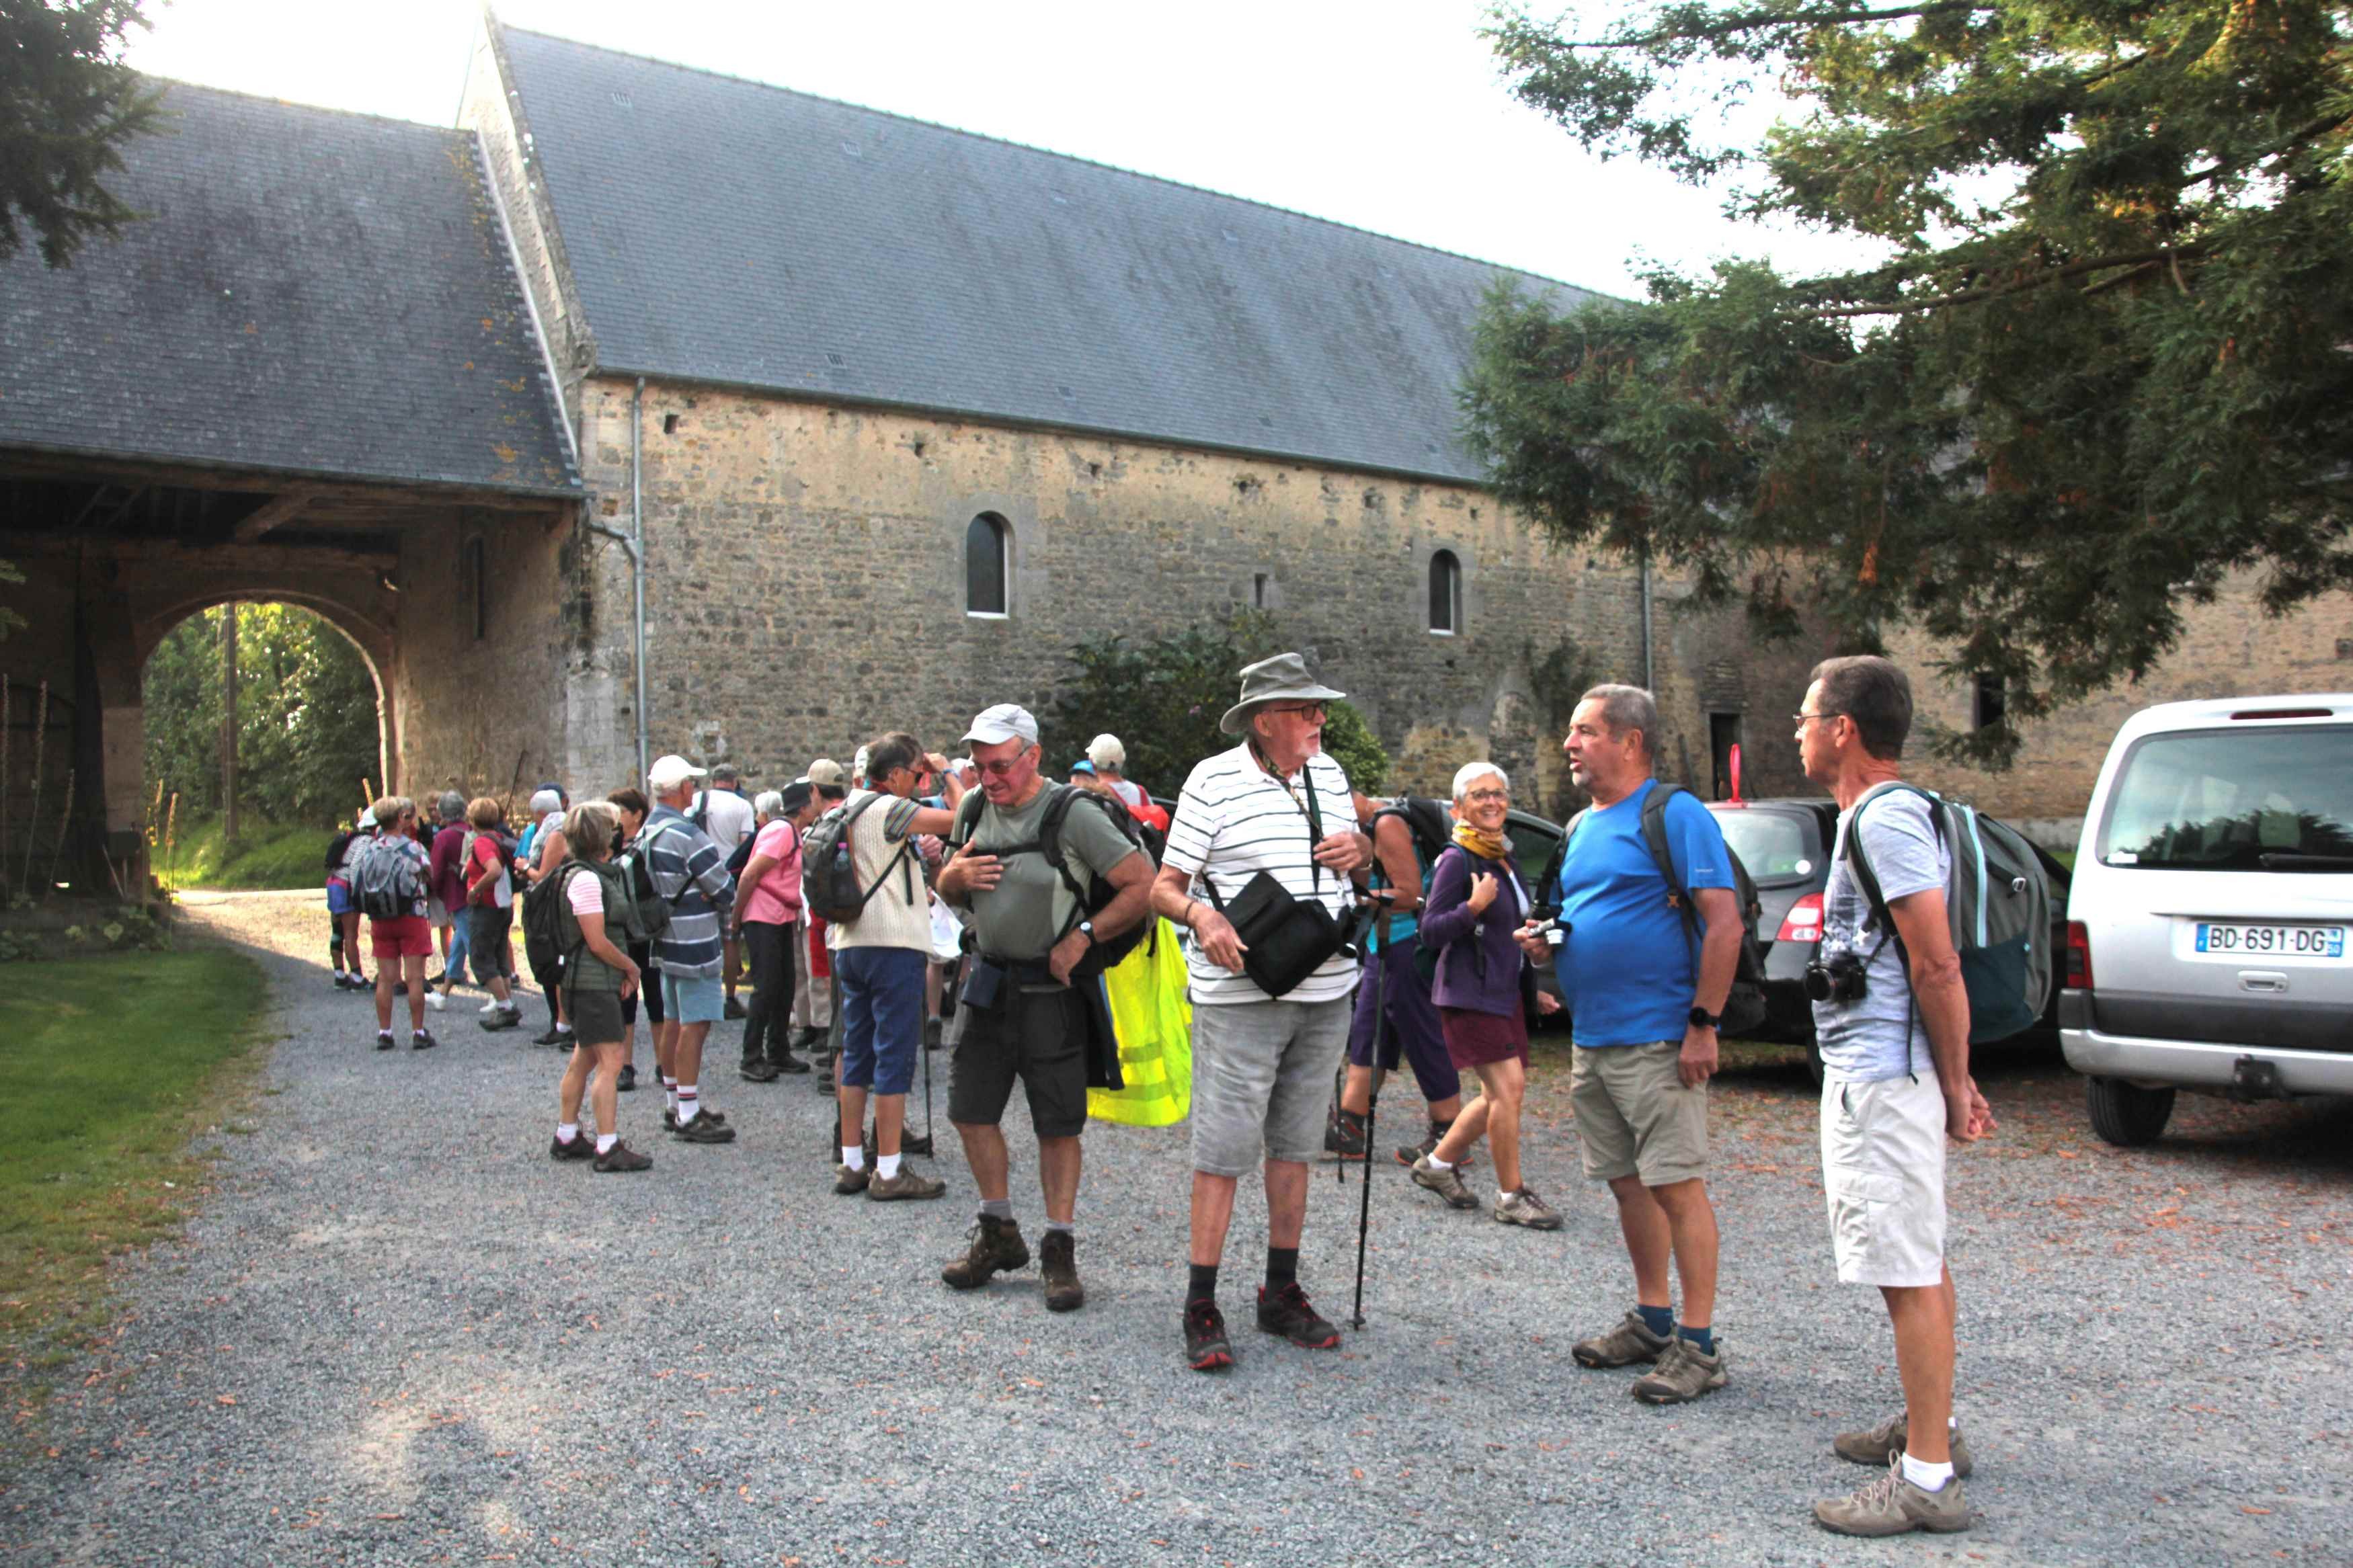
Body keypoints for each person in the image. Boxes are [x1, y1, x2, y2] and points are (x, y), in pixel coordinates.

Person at [1797, 655, 1995, 1538]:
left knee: (1908, 1268)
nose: (1797, 730)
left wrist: (1955, 1082)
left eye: (1808, 716)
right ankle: (1931, 1426)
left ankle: (1926, 1480)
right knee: (1913, 1258)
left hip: (1885, 1077)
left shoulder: (1886, 820)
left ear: (1844, 729)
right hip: (1883, 1069)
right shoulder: (1873, 818)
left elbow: (1936, 959)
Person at [1148, 653, 1369, 1372]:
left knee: (1297, 1144)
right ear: (1264, 718)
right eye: (1306, 710)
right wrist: (1202, 919)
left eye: (1318, 709)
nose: (1319, 720)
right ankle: (1199, 1302)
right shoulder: (1211, 779)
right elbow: (1163, 886)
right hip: (1241, 993)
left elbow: (1361, 862)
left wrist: (1359, 849)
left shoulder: (1329, 774)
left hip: (1325, 984)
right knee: (1222, 1151)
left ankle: (1280, 1290)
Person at [1529, 684, 1741, 1405]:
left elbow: (1724, 923)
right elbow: (1574, 916)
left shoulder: (1672, 813)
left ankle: (1699, 1342)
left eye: (1584, 731)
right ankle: (1653, 1319)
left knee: (1676, 1185)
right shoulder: (1577, 828)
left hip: (1659, 1035)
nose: (1570, 744)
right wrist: (1542, 948)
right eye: (1570, 730)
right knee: (1627, 1184)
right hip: (1593, 1036)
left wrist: (1702, 1023)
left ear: (1630, 741)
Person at [932, 704, 1154, 1311]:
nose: (988, 778)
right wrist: (952, 877)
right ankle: (999, 1230)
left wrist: (1084, 935)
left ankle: (1059, 1245)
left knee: (1057, 1123)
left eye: (1000, 765)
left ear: (1033, 756)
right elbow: (949, 886)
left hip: (1053, 991)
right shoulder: (975, 807)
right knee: (969, 1110)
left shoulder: (1072, 813)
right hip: (987, 981)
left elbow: (1142, 883)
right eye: (979, 766)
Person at [1408, 764, 1562, 1227]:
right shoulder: (1458, 858)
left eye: (1498, 794)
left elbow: (1504, 933)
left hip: (1503, 992)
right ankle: (1511, 1195)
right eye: (1479, 795)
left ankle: (1435, 1166)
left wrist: (1532, 981)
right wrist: (1471, 907)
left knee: (1497, 1093)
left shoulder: (1501, 856)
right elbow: (1430, 930)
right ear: (1458, 808)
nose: (1492, 802)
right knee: (1507, 1090)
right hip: (1469, 994)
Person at [828, 732, 964, 1201]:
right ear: (892, 776)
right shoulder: (891, 810)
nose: (918, 779)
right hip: (893, 944)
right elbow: (965, 816)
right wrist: (947, 772)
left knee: (857, 1052)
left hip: (852, 942)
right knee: (893, 1054)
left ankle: (851, 1162)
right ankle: (888, 1169)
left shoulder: (847, 806)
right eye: (914, 772)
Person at [1330, 790, 1466, 1166]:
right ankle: (1350, 1126)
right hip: (1382, 944)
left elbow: (1410, 895)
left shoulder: (1387, 824)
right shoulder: (1369, 826)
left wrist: (1352, 896)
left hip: (1408, 944)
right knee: (1369, 1032)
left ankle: (1449, 1130)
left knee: (1421, 1033)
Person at [543, 802, 653, 1173]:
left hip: (586, 982)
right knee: (610, 1061)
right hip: (591, 984)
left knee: (584, 1058)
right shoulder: (588, 879)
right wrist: (630, 966)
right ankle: (608, 1146)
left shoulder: (581, 874)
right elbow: (596, 940)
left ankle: (567, 1134)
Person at [642, 755, 738, 1143]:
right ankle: (687, 1112)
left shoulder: (647, 831)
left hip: (663, 936)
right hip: (694, 939)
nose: (694, 791)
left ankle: (675, 1102)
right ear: (682, 788)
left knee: (673, 1021)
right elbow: (723, 888)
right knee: (695, 1026)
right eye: (691, 785)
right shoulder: (686, 834)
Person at [732, 782, 814, 1081]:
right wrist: (736, 918)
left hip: (779, 916)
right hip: (763, 916)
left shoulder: (790, 832)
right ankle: (751, 1057)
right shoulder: (782, 832)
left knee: (784, 984)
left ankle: (777, 1051)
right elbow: (751, 873)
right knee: (767, 987)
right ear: (803, 807)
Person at [360, 796, 438, 1052]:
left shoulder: (370, 849)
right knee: (415, 978)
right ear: (400, 819)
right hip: (411, 915)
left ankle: (385, 1032)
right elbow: (429, 875)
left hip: (381, 917)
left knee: (385, 978)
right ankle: (418, 1031)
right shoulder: (413, 848)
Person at [791, 759, 848, 1081]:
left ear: (815, 791)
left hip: (829, 918)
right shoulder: (854, 816)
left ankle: (840, 1058)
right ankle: (838, 1055)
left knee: (837, 989)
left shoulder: (827, 825)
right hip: (836, 917)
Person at [606, 786, 662, 1094]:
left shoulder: (651, 841)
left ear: (637, 814)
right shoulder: (609, 843)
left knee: (656, 996)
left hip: (649, 929)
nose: (616, 819)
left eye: (621, 812)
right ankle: (625, 1065)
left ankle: (663, 1062)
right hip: (621, 931)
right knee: (624, 997)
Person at [693, 764, 758, 1018]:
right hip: (728, 879)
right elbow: (746, 845)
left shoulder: (699, 800)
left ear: (714, 780)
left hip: (699, 877)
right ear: (734, 782)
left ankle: (700, 996)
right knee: (730, 939)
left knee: (700, 938)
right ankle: (730, 997)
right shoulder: (742, 806)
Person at [461, 796, 525, 1031]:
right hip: (504, 905)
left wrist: (475, 890)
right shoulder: (500, 838)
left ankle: (506, 1006)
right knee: (499, 957)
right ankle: (505, 1005)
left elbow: (494, 870)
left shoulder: (481, 843)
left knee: (481, 958)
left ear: (472, 819)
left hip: (487, 906)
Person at [519, 786, 573, 1048]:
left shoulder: (556, 834)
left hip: (554, 905)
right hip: (557, 902)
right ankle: (562, 1023)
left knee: (554, 962)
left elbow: (544, 875)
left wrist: (525, 867)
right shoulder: (563, 827)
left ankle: (563, 1024)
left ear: (540, 814)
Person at [425, 791, 471, 1010]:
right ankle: (443, 994)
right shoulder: (471, 831)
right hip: (473, 892)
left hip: (456, 896)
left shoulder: (444, 836)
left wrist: (432, 890)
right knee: (459, 945)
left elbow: (435, 870)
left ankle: (502, 998)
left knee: (475, 947)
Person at [324, 811, 370, 990]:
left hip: (334, 882)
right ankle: (357, 978)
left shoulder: (352, 838)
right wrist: (356, 893)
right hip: (346, 886)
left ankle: (339, 975)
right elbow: (356, 866)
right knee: (351, 934)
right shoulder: (366, 840)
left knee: (338, 932)